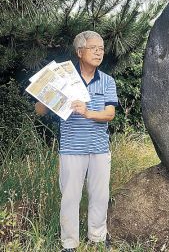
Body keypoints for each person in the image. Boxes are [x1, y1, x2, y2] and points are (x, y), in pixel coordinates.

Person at [35, 31, 118, 252]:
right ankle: (69, 244)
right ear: (80, 52)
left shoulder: (107, 81)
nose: (99, 52)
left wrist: (87, 112)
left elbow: (109, 114)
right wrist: (47, 91)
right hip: (71, 149)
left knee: (100, 196)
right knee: (70, 198)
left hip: (100, 149)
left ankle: (97, 238)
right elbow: (40, 111)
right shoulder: (64, 79)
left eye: (101, 48)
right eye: (94, 48)